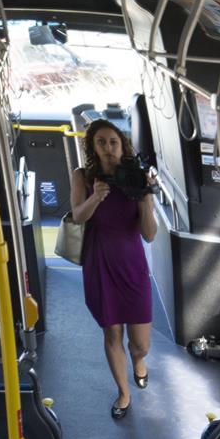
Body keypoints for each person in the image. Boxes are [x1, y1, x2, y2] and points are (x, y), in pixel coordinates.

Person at [69, 119, 157, 419]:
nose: (108, 148)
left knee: (140, 343)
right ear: (93, 147)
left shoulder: (138, 177)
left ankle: (139, 361)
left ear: (122, 146)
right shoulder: (83, 176)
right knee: (112, 333)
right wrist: (97, 196)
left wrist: (145, 199)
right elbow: (78, 217)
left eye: (113, 142)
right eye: (101, 142)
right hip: (100, 264)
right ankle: (123, 392)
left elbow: (150, 234)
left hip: (132, 266)